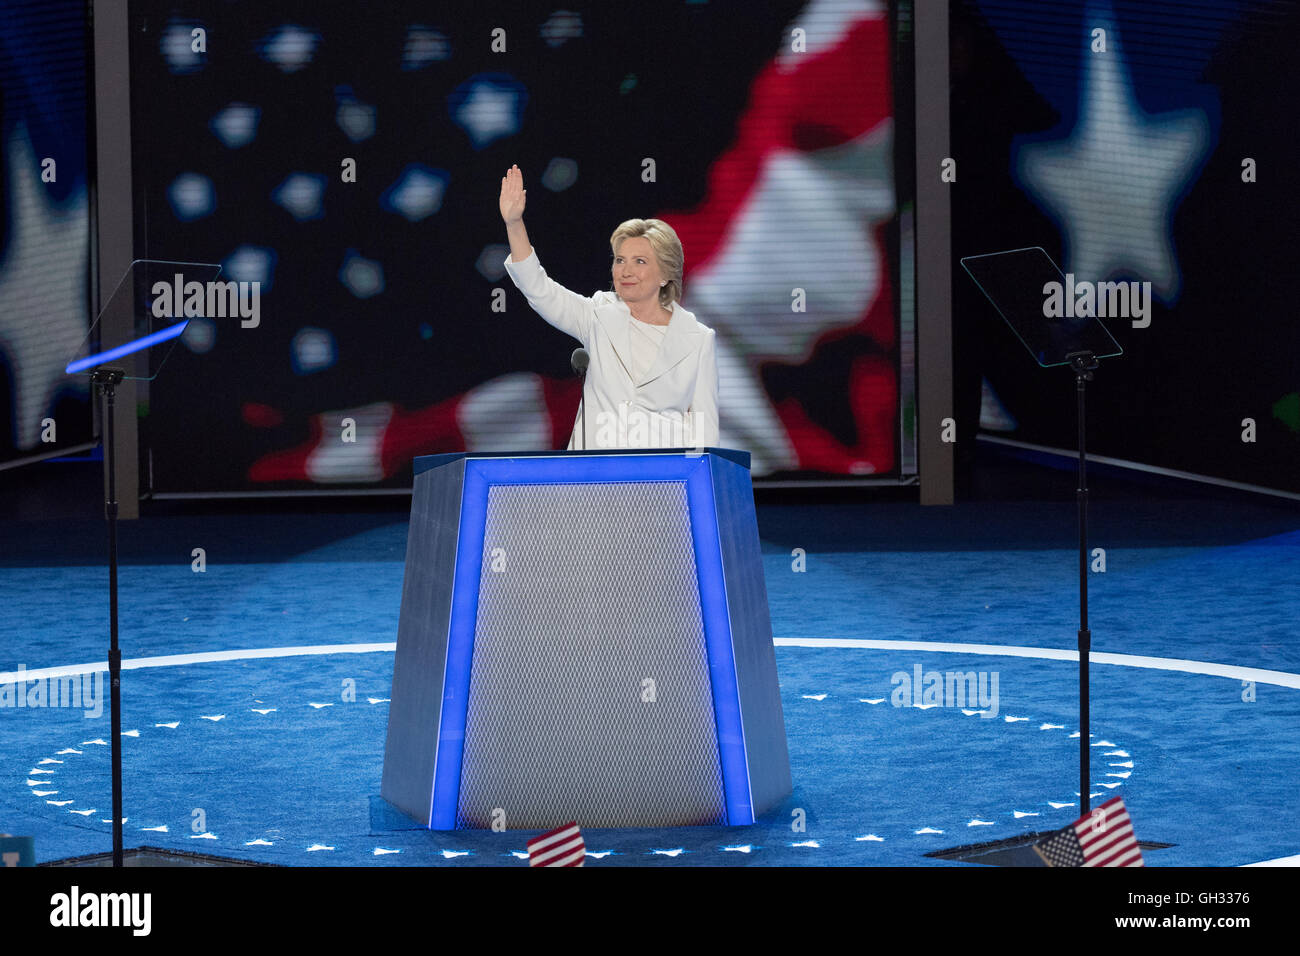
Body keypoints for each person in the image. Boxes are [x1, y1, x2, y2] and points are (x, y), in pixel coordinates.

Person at [498, 165, 719, 451]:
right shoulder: (598, 316)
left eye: (639, 261)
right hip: (593, 482)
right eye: (620, 260)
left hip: (660, 486)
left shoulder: (698, 339)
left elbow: (705, 434)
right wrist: (514, 224)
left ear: (665, 274)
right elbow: (539, 289)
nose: (625, 271)